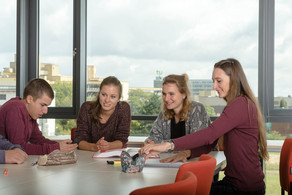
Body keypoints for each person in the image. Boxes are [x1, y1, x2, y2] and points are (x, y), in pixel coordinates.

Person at [141, 58, 268, 195]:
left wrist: (169, 144)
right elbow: (212, 142)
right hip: (234, 184)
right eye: (213, 81)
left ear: (234, 79)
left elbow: (210, 134)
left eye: (219, 81)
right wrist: (187, 153)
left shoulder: (240, 104)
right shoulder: (237, 104)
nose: (214, 86)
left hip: (244, 190)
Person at [145, 74, 214, 163]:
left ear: (184, 94)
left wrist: (162, 146)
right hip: (171, 163)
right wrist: (151, 143)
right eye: (164, 94)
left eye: (171, 94)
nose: (166, 99)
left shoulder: (197, 109)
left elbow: (197, 144)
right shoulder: (164, 113)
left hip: (200, 162)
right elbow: (154, 137)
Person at [0, 78, 78, 155]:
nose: (45, 111)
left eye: (47, 106)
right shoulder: (15, 108)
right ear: (29, 99)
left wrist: (60, 145)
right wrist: (55, 148)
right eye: (42, 105)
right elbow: (19, 148)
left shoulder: (29, 113)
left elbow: (38, 140)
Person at [75, 76, 131, 152]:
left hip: (112, 157)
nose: (107, 100)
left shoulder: (123, 108)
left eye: (113, 97)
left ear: (118, 98)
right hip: (87, 156)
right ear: (99, 94)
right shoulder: (86, 108)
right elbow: (79, 141)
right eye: (104, 95)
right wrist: (95, 147)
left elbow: (122, 139)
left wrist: (108, 146)